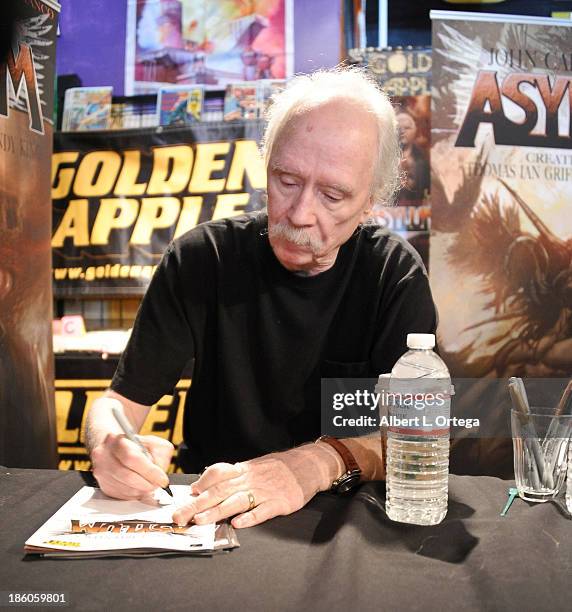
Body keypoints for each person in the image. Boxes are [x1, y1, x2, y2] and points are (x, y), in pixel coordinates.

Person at [85, 66, 437, 529]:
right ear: (267, 162)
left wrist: (313, 465)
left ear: (371, 201)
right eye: (286, 180)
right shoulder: (201, 258)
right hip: (209, 512)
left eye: (332, 194)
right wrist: (109, 443)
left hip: (340, 515)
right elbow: (117, 404)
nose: (299, 213)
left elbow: (420, 439)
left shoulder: (392, 274)